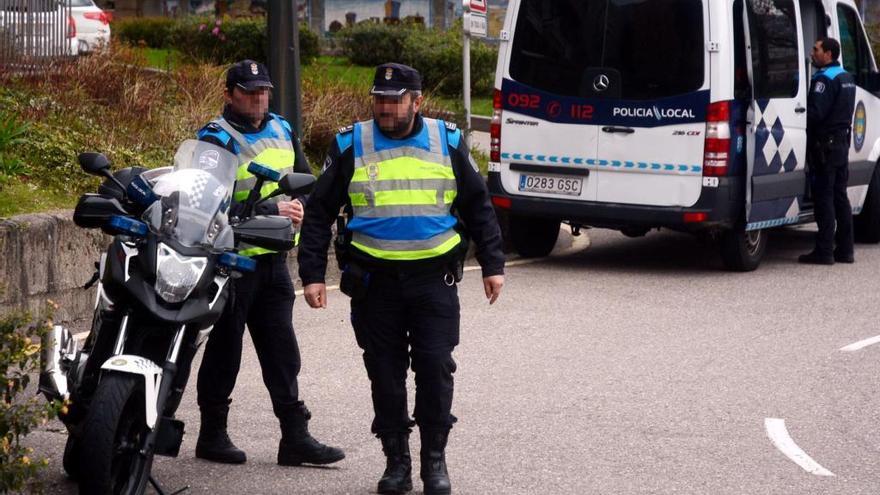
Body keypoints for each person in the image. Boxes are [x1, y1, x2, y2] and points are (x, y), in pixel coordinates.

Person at [297, 62, 505, 495]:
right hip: (375, 284)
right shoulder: (352, 142)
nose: (385, 107)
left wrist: (493, 263)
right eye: (379, 99)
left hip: (434, 281)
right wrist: (312, 275)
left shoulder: (445, 141)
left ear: (417, 101)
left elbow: (477, 203)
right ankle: (397, 462)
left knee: (435, 369)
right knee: (385, 375)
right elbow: (318, 212)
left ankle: (434, 461)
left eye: (395, 100)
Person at [194, 59, 344, 466]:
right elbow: (202, 202)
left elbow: (307, 182)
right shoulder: (215, 138)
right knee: (225, 351)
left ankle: (294, 437)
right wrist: (267, 206)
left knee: (282, 352)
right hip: (229, 260)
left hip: (273, 262)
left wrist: (298, 205)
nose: (259, 99)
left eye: (264, 91)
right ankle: (211, 434)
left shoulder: (282, 128)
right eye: (249, 92)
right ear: (228, 94)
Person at [799, 37, 857, 265]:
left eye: (816, 49)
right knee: (841, 199)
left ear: (829, 54)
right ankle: (845, 250)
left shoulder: (823, 79)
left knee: (825, 199)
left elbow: (815, 114)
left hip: (825, 147)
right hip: (841, 145)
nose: (813, 53)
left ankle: (824, 251)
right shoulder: (847, 78)